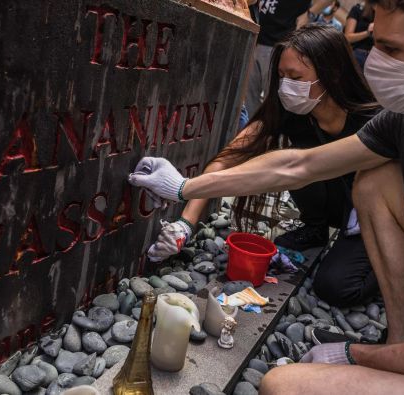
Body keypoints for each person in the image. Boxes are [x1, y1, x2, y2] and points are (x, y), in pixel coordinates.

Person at [129, 0, 404, 393]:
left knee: (283, 383)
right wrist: (183, 189)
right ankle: (403, 340)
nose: (375, 62)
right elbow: (298, 165)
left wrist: (357, 355)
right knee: (375, 182)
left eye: (392, 50)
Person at [144, 24, 381, 308]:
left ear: (333, 73)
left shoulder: (373, 119)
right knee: (300, 152)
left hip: (370, 216)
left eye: (296, 77)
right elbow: (228, 158)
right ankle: (315, 226)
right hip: (330, 201)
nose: (286, 86)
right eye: (281, 76)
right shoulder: (291, 111)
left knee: (335, 287)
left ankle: (399, 268)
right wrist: (185, 223)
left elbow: (296, 167)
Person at [245, 0, 331, 116]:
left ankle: (271, 131)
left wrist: (309, 14)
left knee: (273, 102)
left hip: (280, 41)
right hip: (255, 34)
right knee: (248, 98)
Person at [344, 1, 377, 68]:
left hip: (372, 59)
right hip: (356, 53)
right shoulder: (357, 9)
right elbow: (347, 37)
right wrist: (367, 32)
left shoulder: (381, 17)